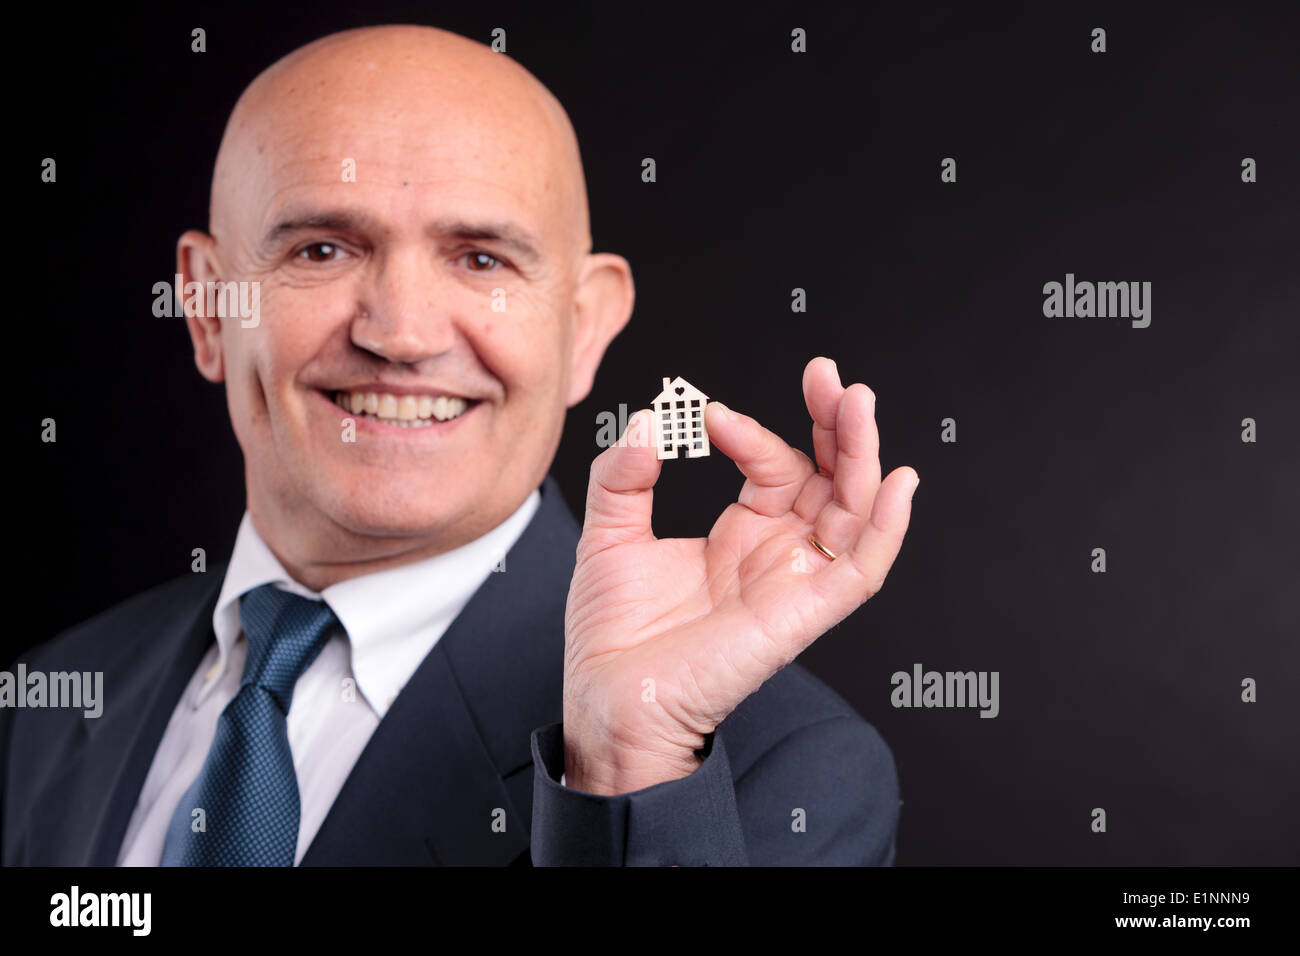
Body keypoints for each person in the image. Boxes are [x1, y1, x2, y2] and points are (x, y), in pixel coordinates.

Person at [0, 24, 918, 866]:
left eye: (482, 259)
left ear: (585, 330)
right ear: (206, 307)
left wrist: (625, 764)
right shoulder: (56, 693)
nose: (399, 333)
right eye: (322, 249)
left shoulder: (776, 772)